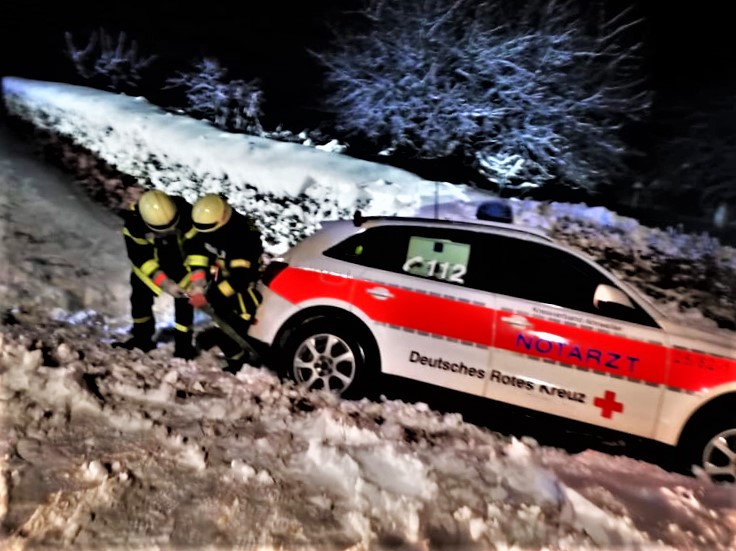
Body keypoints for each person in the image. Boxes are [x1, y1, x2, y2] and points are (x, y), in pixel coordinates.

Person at [113, 189, 198, 359]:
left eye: (171, 227)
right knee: (140, 300)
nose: (167, 232)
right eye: (160, 230)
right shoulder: (134, 225)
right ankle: (142, 339)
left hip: (183, 264)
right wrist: (164, 282)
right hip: (152, 267)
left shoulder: (185, 211)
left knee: (185, 304)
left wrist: (196, 277)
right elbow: (141, 258)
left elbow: (197, 247)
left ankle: (184, 348)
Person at [185, 193, 264, 373]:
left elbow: (242, 276)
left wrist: (215, 294)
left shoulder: (244, 234)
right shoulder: (209, 224)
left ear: (222, 219)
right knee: (222, 322)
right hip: (223, 279)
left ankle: (244, 361)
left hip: (244, 287)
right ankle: (235, 357)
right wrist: (198, 283)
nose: (206, 235)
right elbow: (198, 251)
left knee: (235, 325)